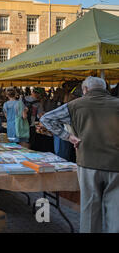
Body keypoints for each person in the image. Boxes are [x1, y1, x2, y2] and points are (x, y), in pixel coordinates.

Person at [40, 77, 119, 233]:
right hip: (116, 163)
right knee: (115, 208)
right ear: (105, 89)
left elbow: (46, 119)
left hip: (88, 161)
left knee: (90, 206)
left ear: (85, 89)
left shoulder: (75, 105)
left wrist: (68, 137)